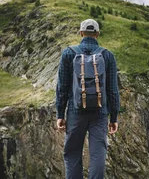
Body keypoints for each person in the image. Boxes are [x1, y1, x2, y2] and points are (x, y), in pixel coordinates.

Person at [56, 19, 120, 179]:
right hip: (100, 112)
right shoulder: (107, 55)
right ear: (97, 34)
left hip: (75, 111)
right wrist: (114, 117)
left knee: (72, 154)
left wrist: (60, 115)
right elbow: (113, 90)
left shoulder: (69, 53)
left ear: (81, 33)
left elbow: (62, 87)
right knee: (98, 154)